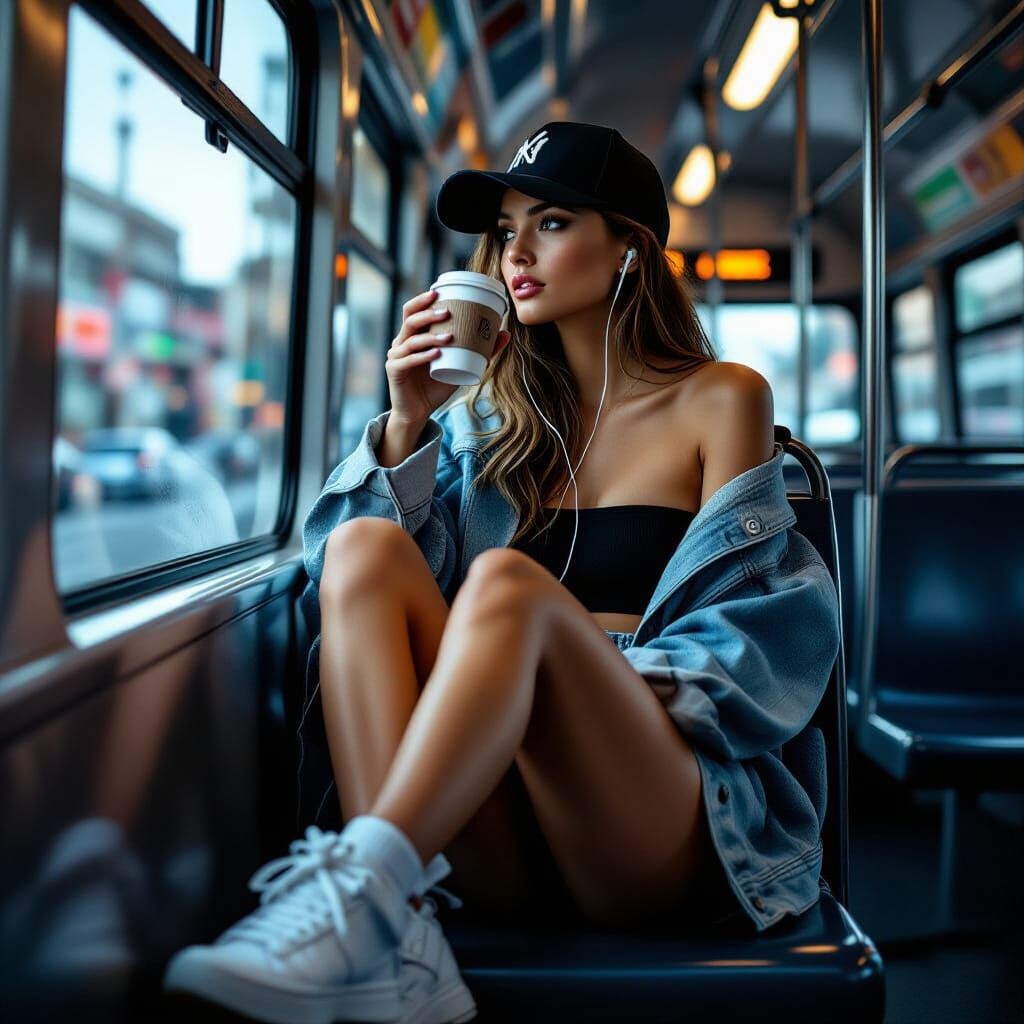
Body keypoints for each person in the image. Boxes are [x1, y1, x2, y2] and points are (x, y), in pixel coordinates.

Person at [163, 121, 841, 1024]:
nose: (515, 251)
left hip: (662, 810)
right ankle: (394, 930)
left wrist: (572, 678)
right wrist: (406, 424)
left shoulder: (723, 397)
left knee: (507, 589)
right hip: (500, 820)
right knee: (370, 548)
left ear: (629, 249)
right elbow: (340, 584)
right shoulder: (484, 422)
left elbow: (763, 632)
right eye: (507, 228)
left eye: (552, 223)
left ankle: (361, 895)